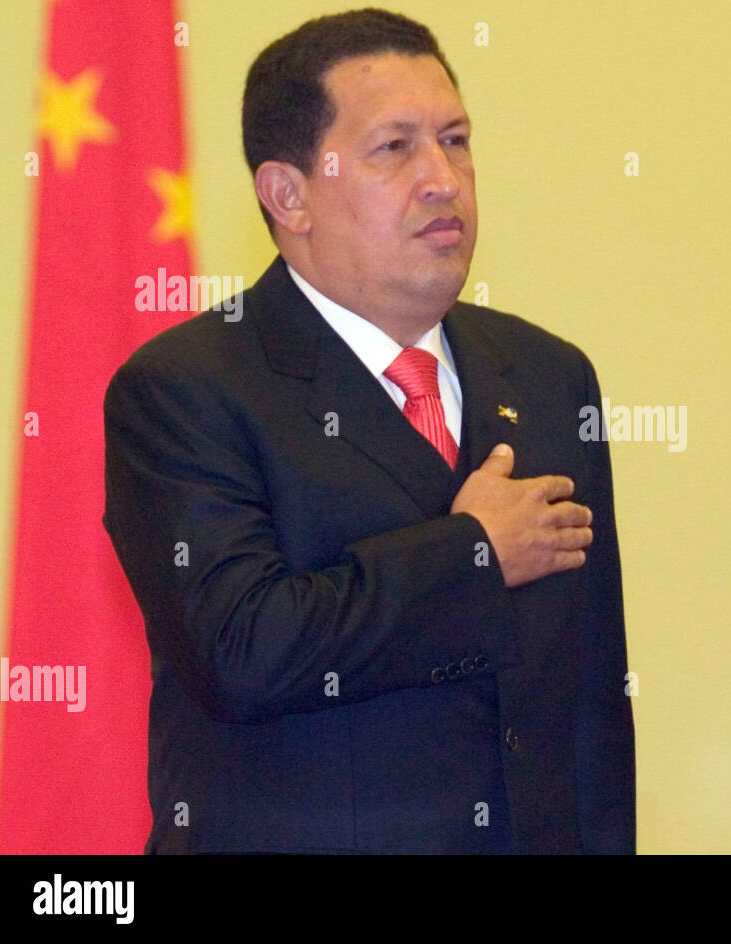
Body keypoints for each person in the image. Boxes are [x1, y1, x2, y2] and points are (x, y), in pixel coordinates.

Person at [103, 9, 634, 854]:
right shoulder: (185, 389)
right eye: (396, 148)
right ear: (288, 194)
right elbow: (241, 651)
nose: (443, 179)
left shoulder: (547, 376)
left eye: (455, 140)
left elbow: (591, 704)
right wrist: (469, 555)